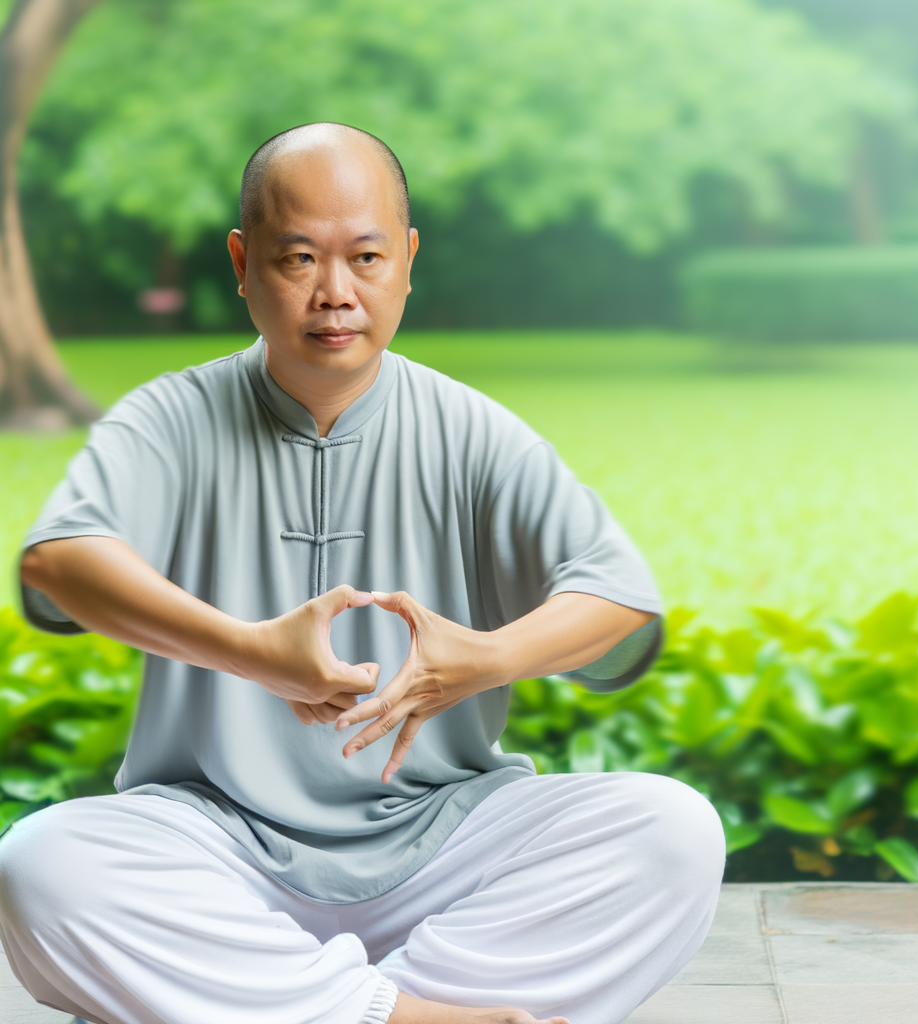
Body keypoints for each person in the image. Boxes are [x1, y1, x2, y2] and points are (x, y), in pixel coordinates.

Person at [0, 123, 724, 1024]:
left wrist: (488, 657)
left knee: (673, 831)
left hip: (445, 843)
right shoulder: (170, 418)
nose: (334, 294)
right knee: (44, 862)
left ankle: (303, 1005)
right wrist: (252, 652)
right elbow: (61, 560)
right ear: (242, 260)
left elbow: (616, 596)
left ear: (409, 258)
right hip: (219, 843)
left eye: (367, 257)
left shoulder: (471, 428)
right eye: (298, 257)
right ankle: (407, 1015)